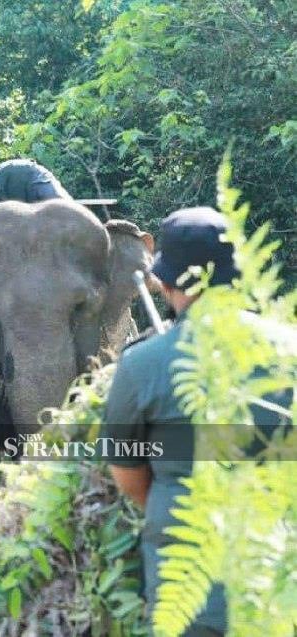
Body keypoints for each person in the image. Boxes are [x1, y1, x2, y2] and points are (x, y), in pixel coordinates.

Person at [101, 207, 290, 635]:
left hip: (184, 592)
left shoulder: (142, 363)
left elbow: (126, 471)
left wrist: (172, 503)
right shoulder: (290, 349)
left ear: (165, 283)